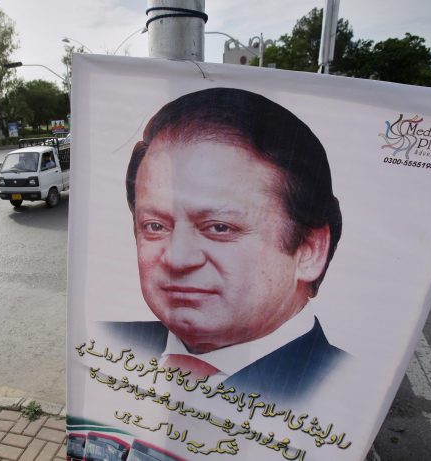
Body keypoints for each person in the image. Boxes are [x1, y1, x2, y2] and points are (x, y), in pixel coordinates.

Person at [113, 87, 346, 404]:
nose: (178, 259)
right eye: (155, 226)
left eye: (219, 227)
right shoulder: (109, 344)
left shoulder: (343, 393)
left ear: (309, 250)